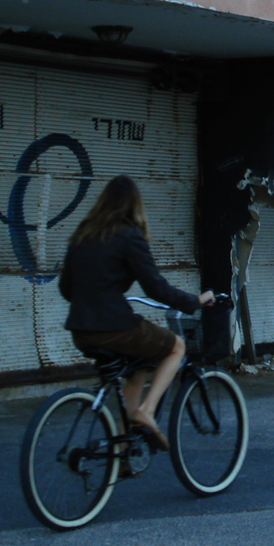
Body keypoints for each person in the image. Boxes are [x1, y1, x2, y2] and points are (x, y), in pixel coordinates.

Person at [58, 175, 214, 451]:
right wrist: (194, 301)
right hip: (114, 327)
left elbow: (66, 289)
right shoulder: (129, 235)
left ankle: (122, 450)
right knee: (176, 347)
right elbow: (156, 288)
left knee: (139, 367)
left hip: (81, 331)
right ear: (134, 205)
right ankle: (147, 411)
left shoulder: (83, 235)